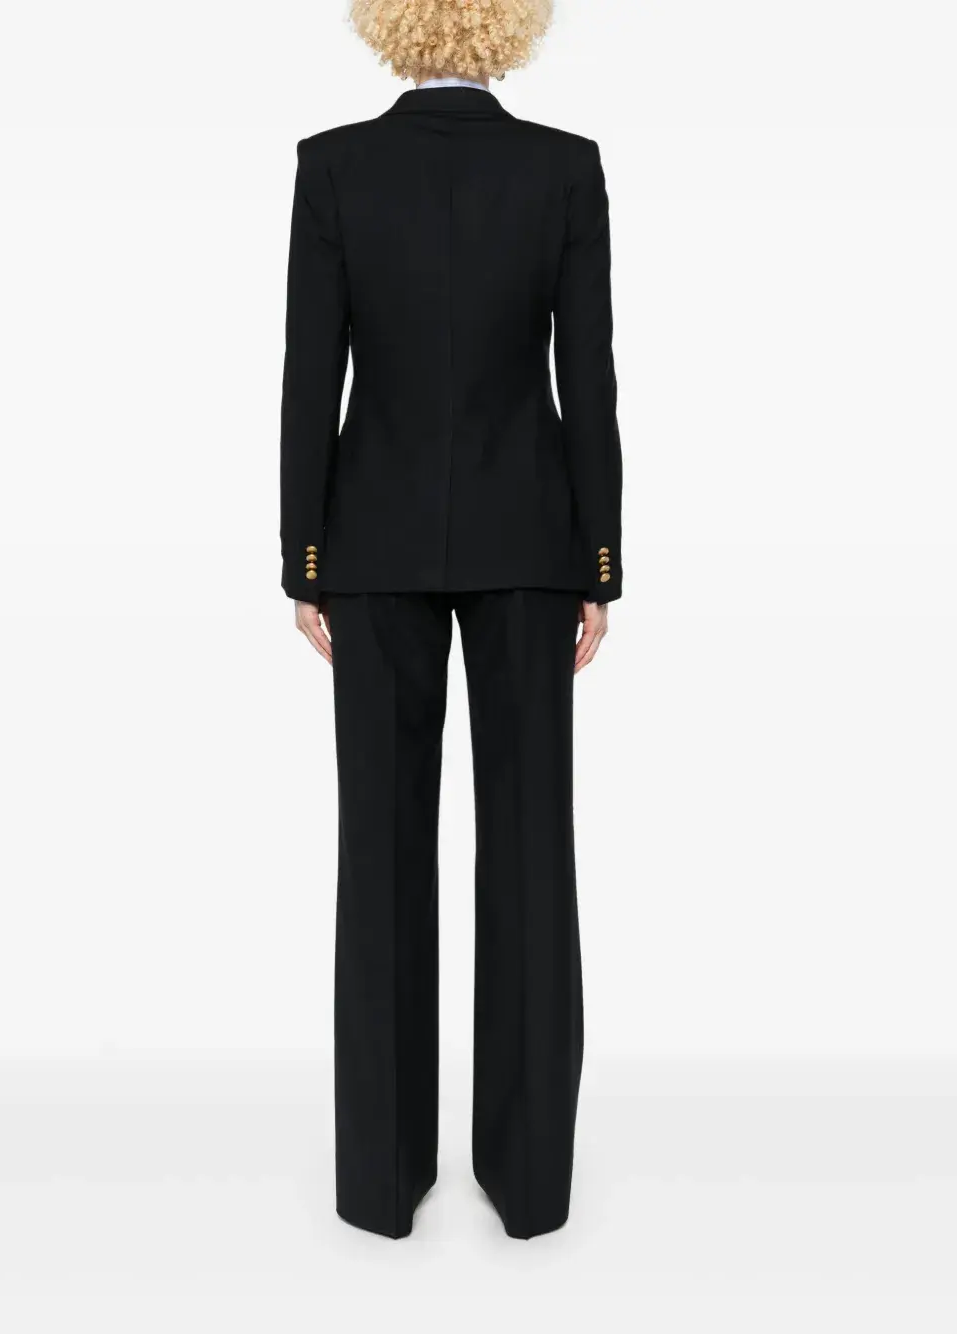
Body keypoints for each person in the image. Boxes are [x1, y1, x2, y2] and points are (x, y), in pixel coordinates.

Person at [279, 0, 621, 1239]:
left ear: (391, 25)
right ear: (506, 28)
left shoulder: (333, 166)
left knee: (378, 857)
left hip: (368, 543)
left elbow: (308, 372)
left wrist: (303, 556)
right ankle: (529, 1184)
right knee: (530, 852)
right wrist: (598, 560)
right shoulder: (562, 168)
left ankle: (380, 1183)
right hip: (530, 539)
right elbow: (588, 374)